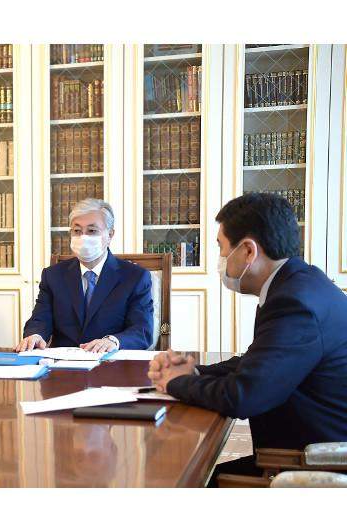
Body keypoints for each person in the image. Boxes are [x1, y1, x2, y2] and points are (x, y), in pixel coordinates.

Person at [147, 192, 347, 486]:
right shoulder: (298, 283)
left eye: (221, 247)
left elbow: (243, 396)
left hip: (312, 468)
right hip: (301, 451)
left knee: (176, 482)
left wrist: (175, 382)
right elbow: (258, 362)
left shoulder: (294, 303)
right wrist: (195, 370)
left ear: (248, 251)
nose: (220, 260)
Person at [15, 198, 154, 353]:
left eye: (92, 231)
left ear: (110, 234)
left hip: (111, 361)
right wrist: (35, 335)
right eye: (77, 231)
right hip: (63, 362)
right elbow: (40, 319)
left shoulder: (135, 277)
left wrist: (113, 341)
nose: (83, 237)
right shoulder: (53, 275)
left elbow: (142, 330)